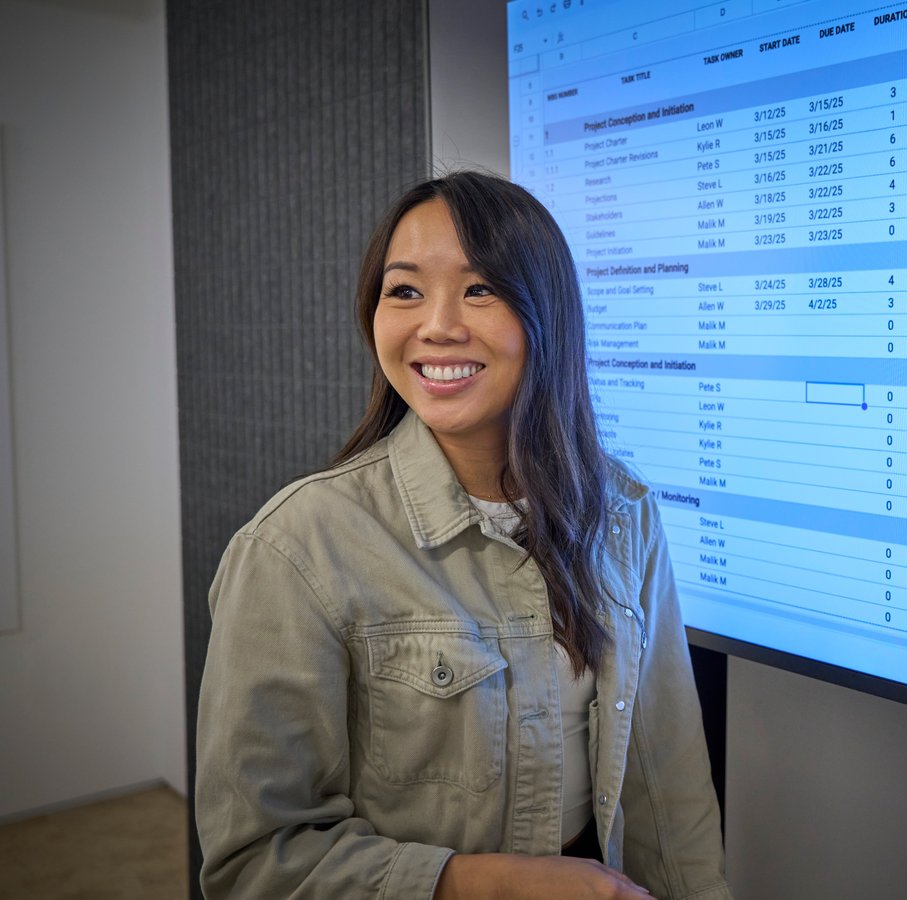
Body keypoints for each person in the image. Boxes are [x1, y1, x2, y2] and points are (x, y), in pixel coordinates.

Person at [195, 171, 733, 900]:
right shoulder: (296, 549)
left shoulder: (625, 513)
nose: (438, 325)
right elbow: (255, 862)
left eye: (480, 289)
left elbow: (671, 794)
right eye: (405, 291)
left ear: (547, 313)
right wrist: (487, 885)